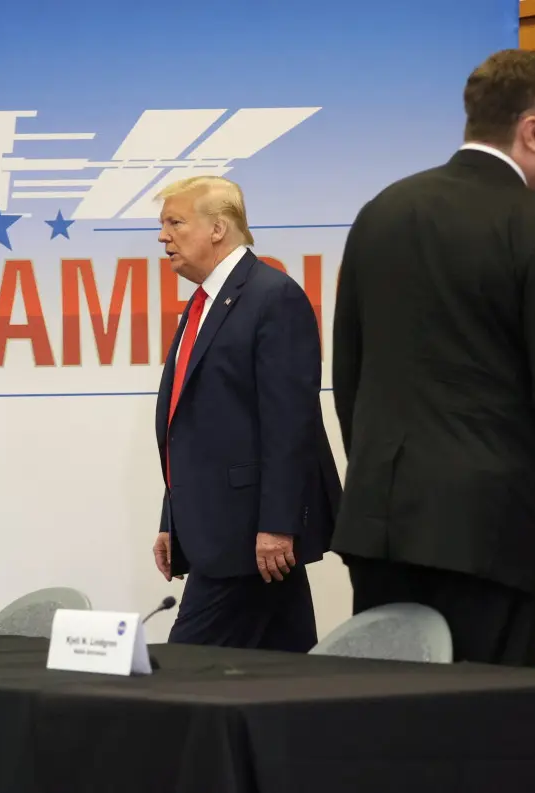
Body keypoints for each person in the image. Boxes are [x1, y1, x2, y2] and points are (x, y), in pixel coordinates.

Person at [330, 49, 535, 667]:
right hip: (487, 536)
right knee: (478, 735)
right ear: (531, 131)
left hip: (380, 523)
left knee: (382, 730)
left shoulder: (380, 213)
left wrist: (386, 476)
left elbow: (347, 374)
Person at [152, 175, 341, 653]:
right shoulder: (204, 304)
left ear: (218, 228)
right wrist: (172, 519)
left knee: (183, 673)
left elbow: (290, 423)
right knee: (285, 669)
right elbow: (191, 427)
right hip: (223, 529)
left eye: (175, 222)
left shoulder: (272, 297)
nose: (162, 237)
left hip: (247, 537)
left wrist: (278, 525)